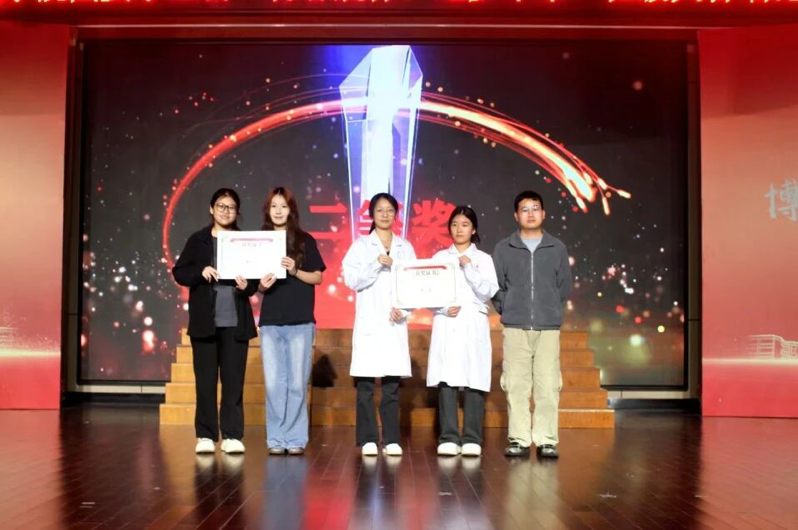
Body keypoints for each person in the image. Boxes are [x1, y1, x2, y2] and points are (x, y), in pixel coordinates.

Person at [172, 188, 258, 455]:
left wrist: (246, 285)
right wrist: (201, 271)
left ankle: (232, 435)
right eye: (221, 206)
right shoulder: (198, 240)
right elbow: (180, 273)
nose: (225, 211)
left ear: (237, 212)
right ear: (211, 209)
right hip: (205, 323)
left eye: (231, 207)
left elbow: (254, 282)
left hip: (236, 322)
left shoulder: (244, 241)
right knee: (206, 382)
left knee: (233, 383)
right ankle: (206, 435)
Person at [492, 190, 572, 459]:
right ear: (516, 215)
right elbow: (497, 286)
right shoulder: (504, 248)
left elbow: (563, 287)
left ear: (543, 213)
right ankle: (519, 439)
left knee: (548, 385)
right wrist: (508, 308)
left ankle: (547, 439)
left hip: (548, 327)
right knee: (516, 384)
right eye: (524, 209)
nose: (530, 213)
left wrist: (550, 311)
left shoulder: (557, 248)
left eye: (535, 208)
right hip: (515, 327)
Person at [342, 192, 416, 457]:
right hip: (370, 322)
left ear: (396, 214)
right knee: (365, 385)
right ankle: (368, 439)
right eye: (380, 210)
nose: (385, 215)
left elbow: (414, 284)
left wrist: (404, 310)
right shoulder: (361, 246)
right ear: (371, 214)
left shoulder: (405, 247)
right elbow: (351, 280)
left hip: (394, 324)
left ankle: (392, 438)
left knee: (391, 386)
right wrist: (375, 265)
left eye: (390, 210)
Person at [258, 187, 326, 456]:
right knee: (274, 383)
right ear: (267, 210)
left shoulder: (304, 240)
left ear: (291, 210)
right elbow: (254, 284)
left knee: (297, 383)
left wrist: (295, 270)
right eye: (274, 206)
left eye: (283, 206)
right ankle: (276, 438)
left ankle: (295, 438)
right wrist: (261, 285)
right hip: (271, 321)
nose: (278, 211)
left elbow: (317, 277)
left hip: (300, 321)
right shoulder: (260, 240)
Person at [427, 206, 499, 457]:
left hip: (473, 324)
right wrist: (442, 309)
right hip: (446, 323)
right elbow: (425, 291)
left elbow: (488, 291)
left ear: (474, 229)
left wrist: (470, 269)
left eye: (465, 225)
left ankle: (472, 438)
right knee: (446, 379)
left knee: (474, 379)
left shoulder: (484, 259)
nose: (459, 229)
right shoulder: (439, 257)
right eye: (455, 224)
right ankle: (448, 436)